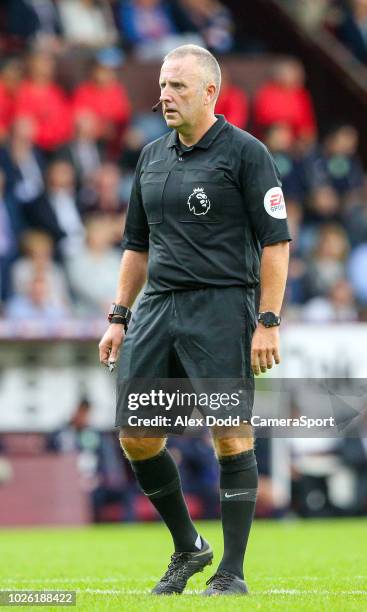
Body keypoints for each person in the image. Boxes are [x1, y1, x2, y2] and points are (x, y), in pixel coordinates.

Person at [98, 44, 290, 596]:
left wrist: (268, 320)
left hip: (222, 305)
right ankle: (189, 547)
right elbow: (136, 245)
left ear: (211, 92)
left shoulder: (247, 154)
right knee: (136, 434)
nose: (164, 95)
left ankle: (231, 572)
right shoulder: (150, 156)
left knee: (230, 435)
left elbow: (276, 243)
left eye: (178, 86)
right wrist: (119, 316)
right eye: (161, 85)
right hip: (157, 307)